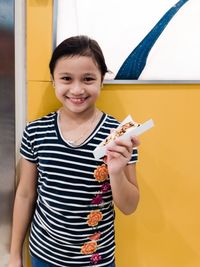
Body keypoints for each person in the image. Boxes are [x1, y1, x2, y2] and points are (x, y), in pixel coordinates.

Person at [8, 35, 140, 267]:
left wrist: (116, 171)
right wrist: (15, 254)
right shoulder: (36, 131)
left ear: (101, 81)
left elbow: (129, 207)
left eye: (88, 78)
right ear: (53, 81)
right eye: (66, 78)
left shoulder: (119, 135)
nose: (77, 89)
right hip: (43, 255)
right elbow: (25, 194)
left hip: (96, 259)